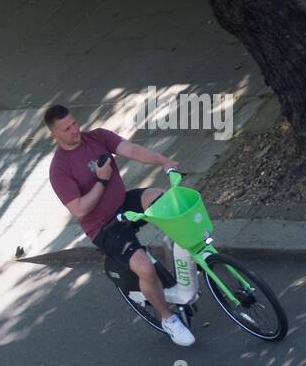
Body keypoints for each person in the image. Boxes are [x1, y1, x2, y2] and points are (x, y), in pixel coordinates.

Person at [44, 106, 195, 347]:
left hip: (123, 203)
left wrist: (163, 161)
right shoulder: (59, 170)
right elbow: (80, 210)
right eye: (67, 128)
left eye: (75, 123)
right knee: (145, 269)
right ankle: (168, 319)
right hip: (104, 227)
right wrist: (102, 179)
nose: (75, 130)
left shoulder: (98, 137)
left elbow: (132, 150)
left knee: (164, 199)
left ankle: (181, 256)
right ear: (55, 135)